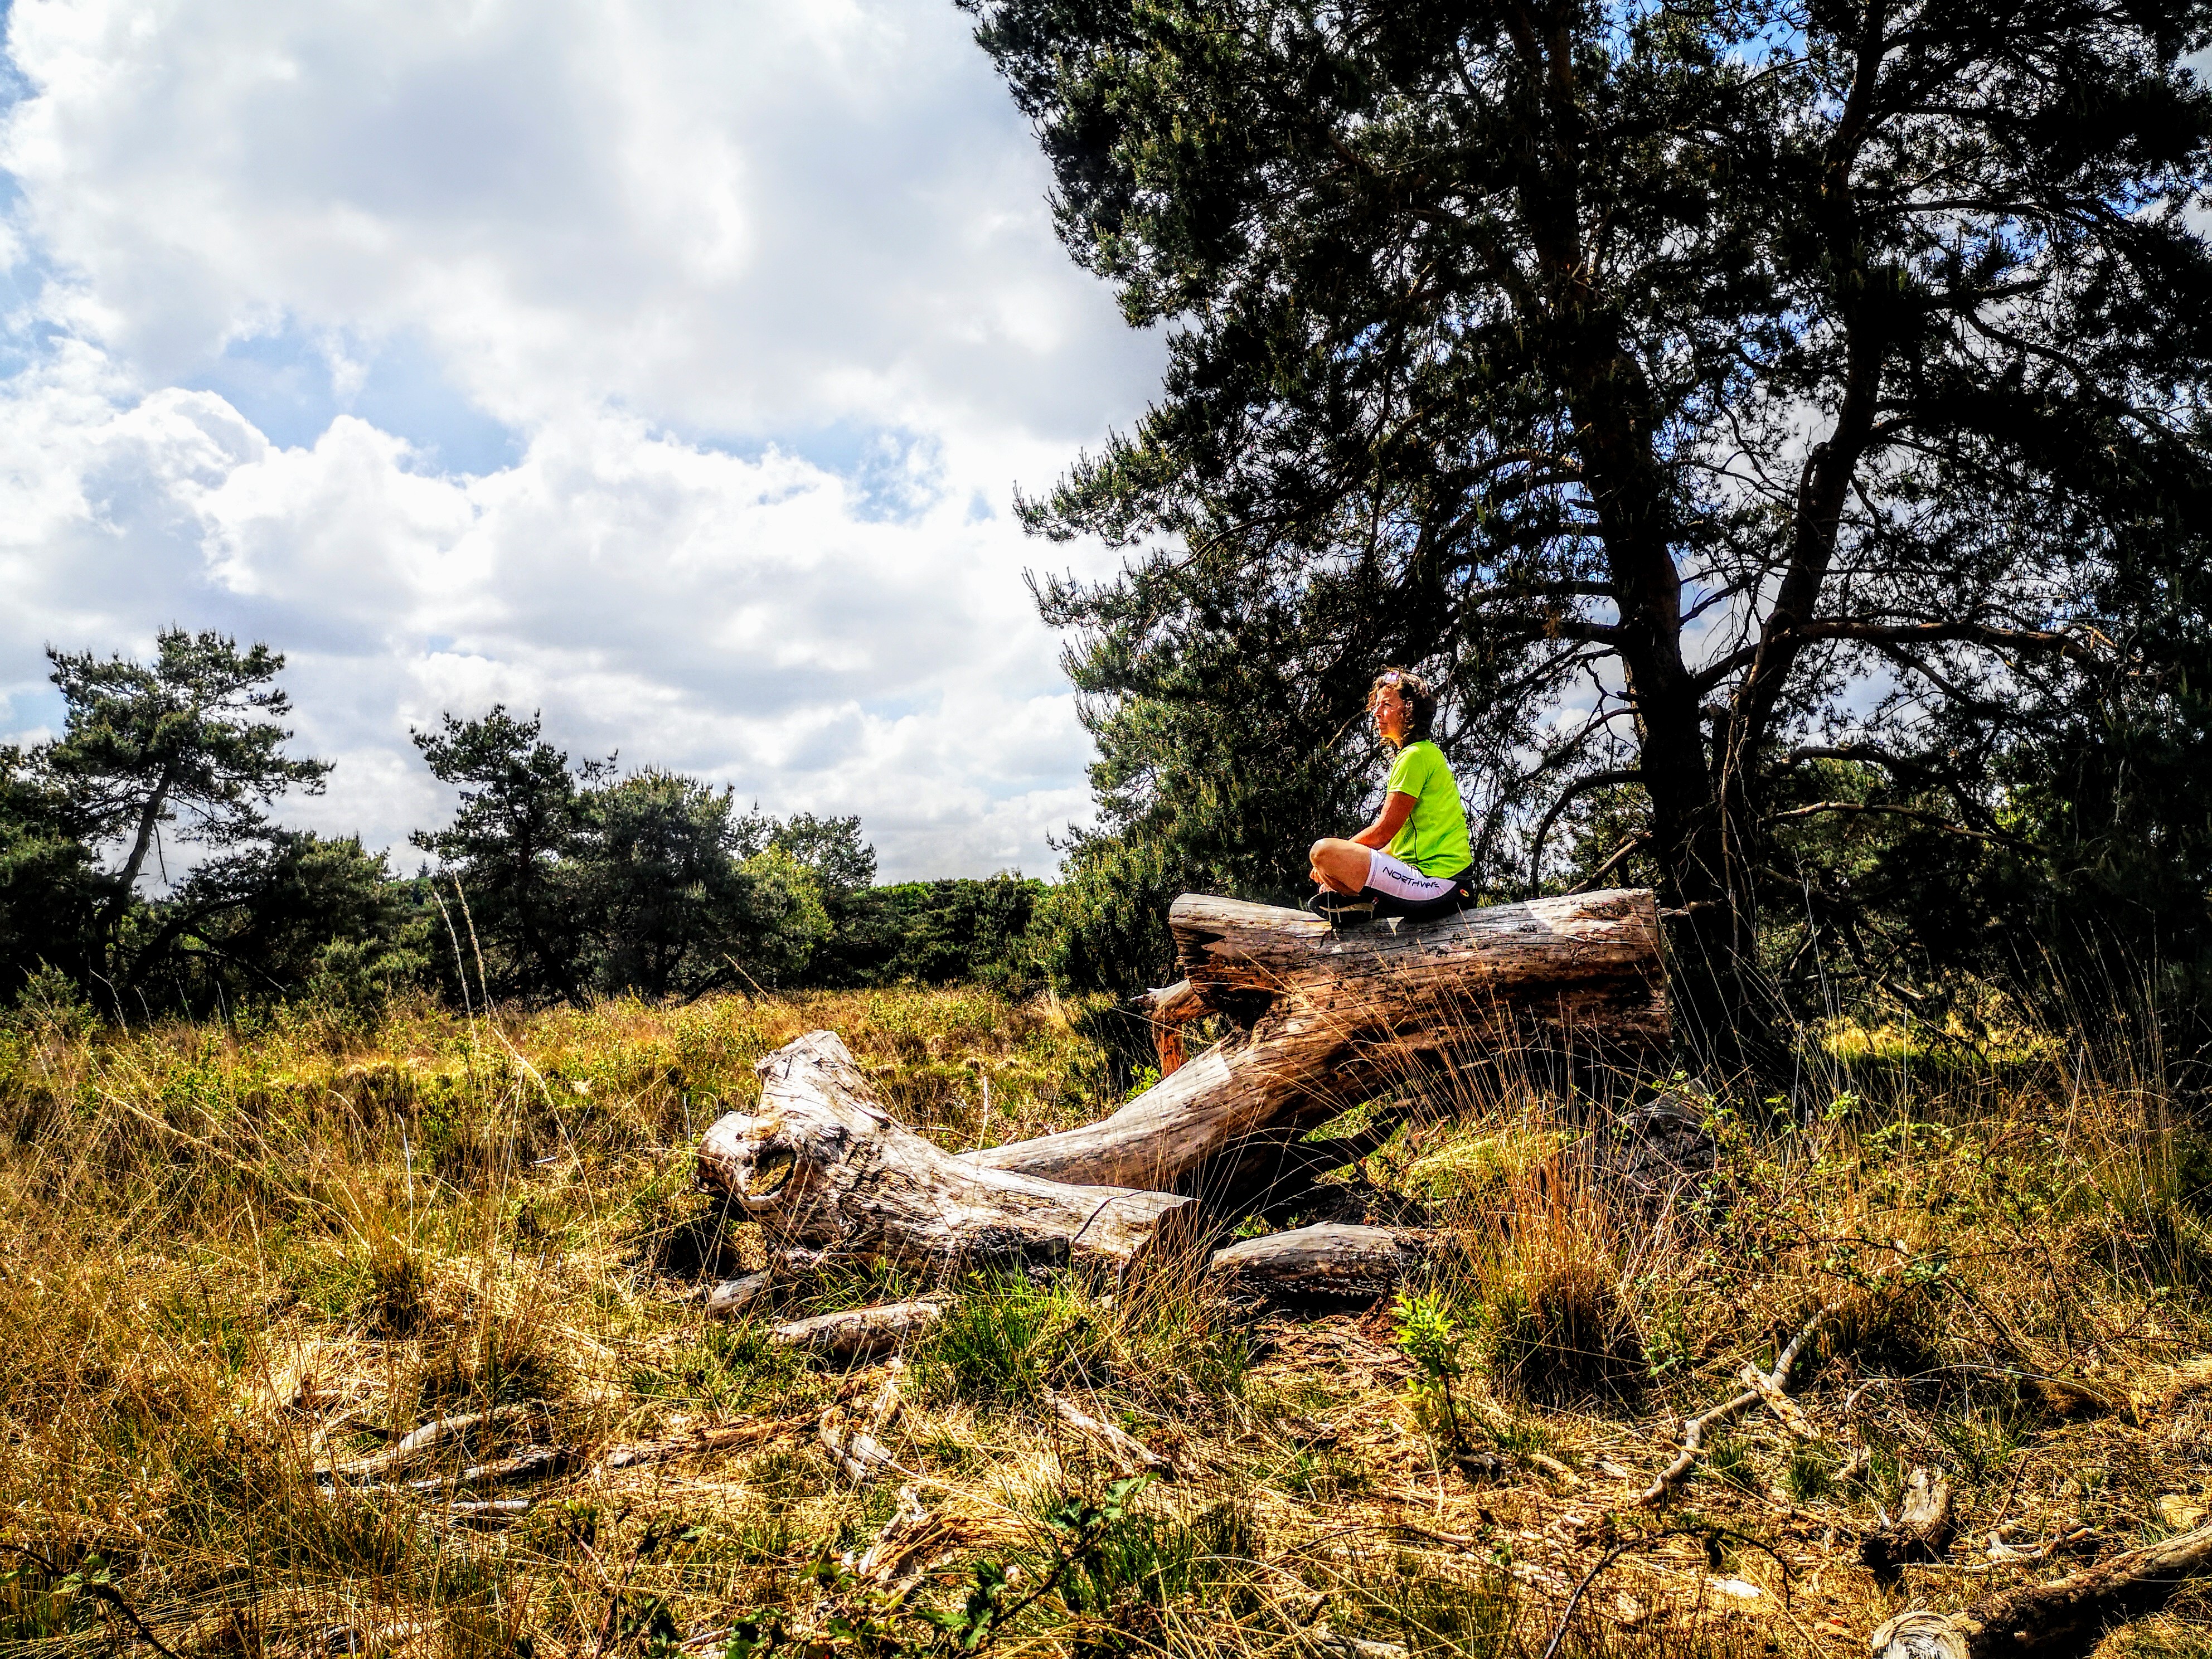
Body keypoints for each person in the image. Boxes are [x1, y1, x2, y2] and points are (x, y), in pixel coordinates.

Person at [1307, 667, 1475, 923]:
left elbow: (1384, 831)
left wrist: (1334, 863)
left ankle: (1364, 902)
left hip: (1441, 885)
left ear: (1408, 709)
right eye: (1376, 704)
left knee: (1322, 852)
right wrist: (1341, 870)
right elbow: (1393, 845)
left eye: (1386, 704)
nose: (1376, 712)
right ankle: (1364, 903)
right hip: (1437, 883)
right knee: (1331, 858)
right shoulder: (1419, 754)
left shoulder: (1415, 756)